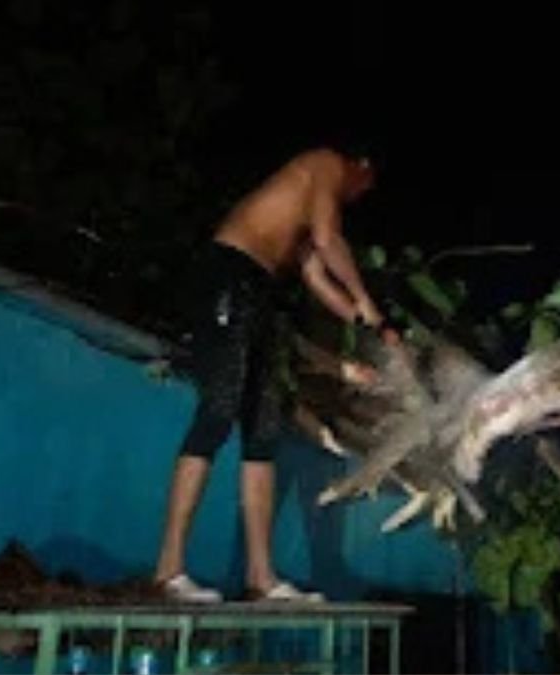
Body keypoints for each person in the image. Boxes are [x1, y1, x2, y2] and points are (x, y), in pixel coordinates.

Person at [154, 147, 395, 603]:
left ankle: (261, 577)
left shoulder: (308, 207)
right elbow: (330, 241)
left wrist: (373, 325)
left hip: (259, 290)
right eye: (367, 186)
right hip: (230, 273)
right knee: (218, 412)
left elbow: (317, 277)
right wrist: (366, 299)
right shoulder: (325, 163)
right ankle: (168, 570)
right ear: (361, 167)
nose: (361, 196)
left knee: (263, 432)